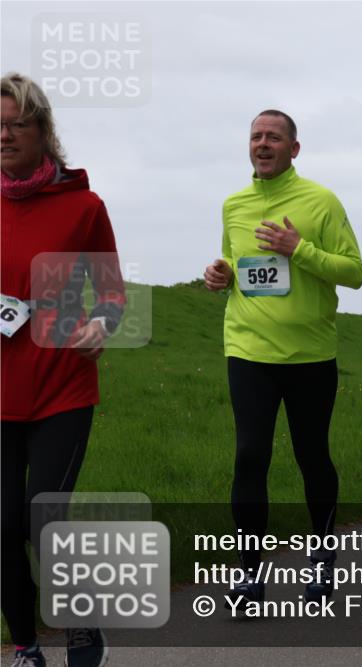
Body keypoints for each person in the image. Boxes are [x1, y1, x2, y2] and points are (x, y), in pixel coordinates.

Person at [203, 109, 362, 608]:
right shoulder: (234, 204)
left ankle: (322, 554)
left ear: (295, 148)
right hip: (248, 349)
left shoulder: (321, 201)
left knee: (311, 456)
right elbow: (236, 262)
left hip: (310, 354)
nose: (263, 143)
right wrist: (221, 274)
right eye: (255, 136)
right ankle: (249, 572)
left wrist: (300, 249)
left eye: (274, 137)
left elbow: (354, 272)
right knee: (251, 456)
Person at [2, 72, 126, 667]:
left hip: (61, 388)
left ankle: (81, 625)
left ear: (43, 130)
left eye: (13, 125)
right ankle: (25, 646)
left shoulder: (83, 206)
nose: (2, 136)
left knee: (42, 519)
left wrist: (101, 323)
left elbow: (111, 293)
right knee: (3, 529)